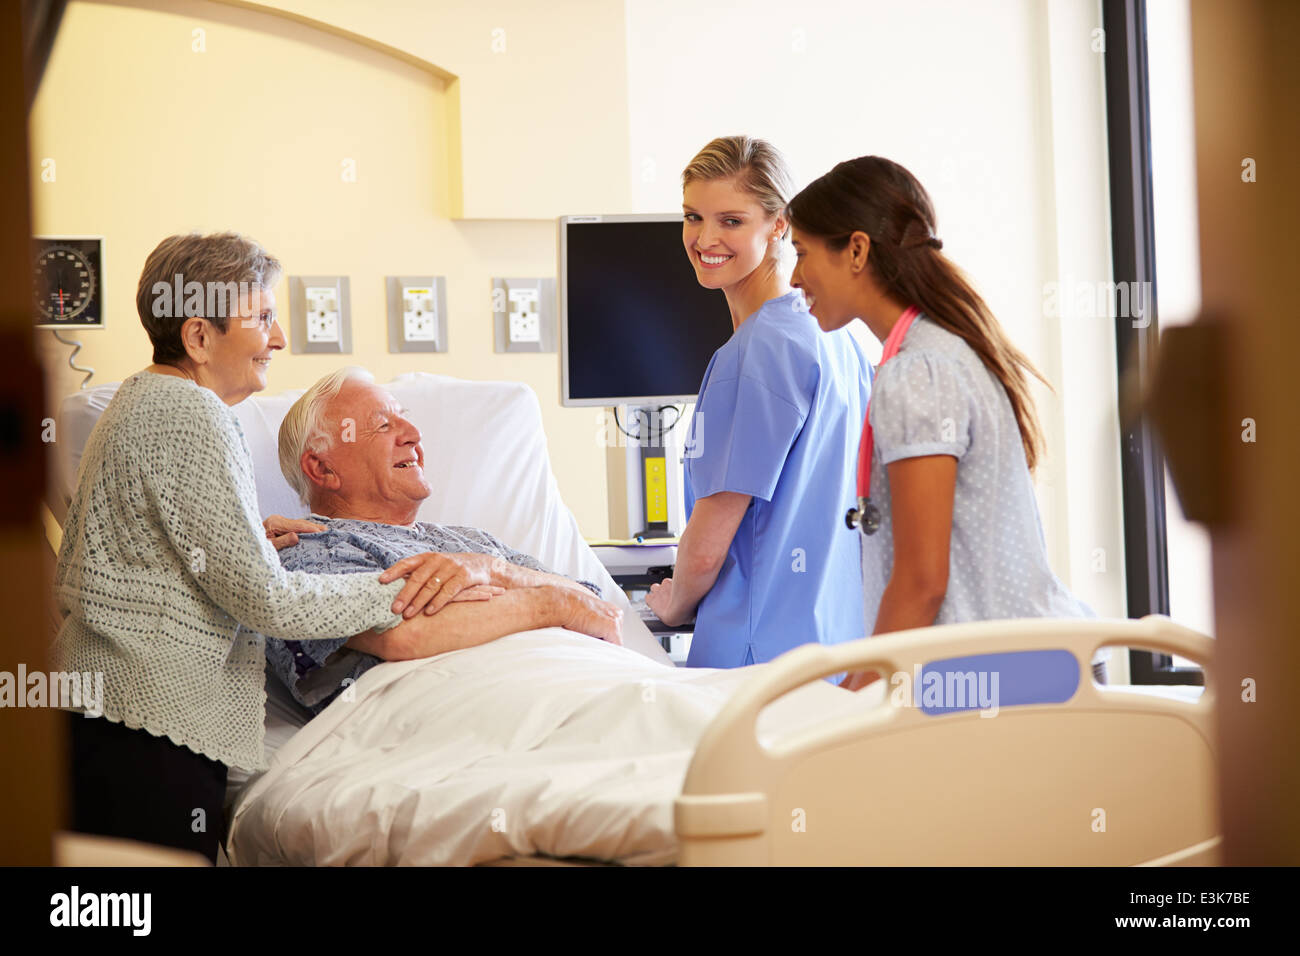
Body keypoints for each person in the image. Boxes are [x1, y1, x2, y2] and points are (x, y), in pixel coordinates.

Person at [51, 233, 484, 862]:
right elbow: (269, 601)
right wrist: (406, 584)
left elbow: (154, 550)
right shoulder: (194, 415)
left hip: (110, 716)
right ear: (199, 337)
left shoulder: (139, 402)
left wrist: (246, 536)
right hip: (146, 730)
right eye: (261, 318)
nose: (279, 338)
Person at [785, 156, 1106, 690]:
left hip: (1007, 675)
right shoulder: (939, 349)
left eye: (801, 253)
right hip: (1034, 663)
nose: (794, 277)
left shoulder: (918, 371)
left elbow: (921, 581)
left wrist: (853, 699)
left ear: (857, 250)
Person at [261, 368, 624, 713]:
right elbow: (406, 636)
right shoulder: (302, 551)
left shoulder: (474, 545)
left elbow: (596, 610)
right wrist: (549, 605)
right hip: (470, 716)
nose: (413, 435)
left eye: (404, 419)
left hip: (585, 685)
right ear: (322, 468)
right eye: (383, 426)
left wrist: (497, 573)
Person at [643, 136, 871, 673]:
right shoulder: (837, 337)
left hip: (758, 658)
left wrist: (673, 604)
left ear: (779, 225)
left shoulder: (754, 353)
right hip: (839, 648)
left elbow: (708, 540)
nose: (704, 239)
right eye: (693, 217)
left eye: (731, 221)